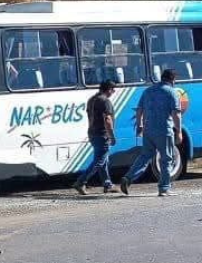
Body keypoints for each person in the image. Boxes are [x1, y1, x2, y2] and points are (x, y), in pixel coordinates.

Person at [120, 69, 183, 197]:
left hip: (148, 130)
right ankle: (164, 188)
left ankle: (128, 178)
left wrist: (140, 125)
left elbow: (139, 110)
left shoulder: (148, 91)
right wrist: (179, 131)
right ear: (172, 80)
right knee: (166, 159)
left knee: (145, 157)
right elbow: (176, 114)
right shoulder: (172, 92)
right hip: (164, 130)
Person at [72, 80, 118, 195]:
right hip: (102, 134)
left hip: (92, 133)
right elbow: (107, 120)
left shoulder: (92, 99)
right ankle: (80, 182)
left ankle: (108, 184)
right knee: (99, 161)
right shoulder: (105, 101)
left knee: (104, 160)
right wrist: (112, 136)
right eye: (113, 89)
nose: (114, 92)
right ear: (109, 90)